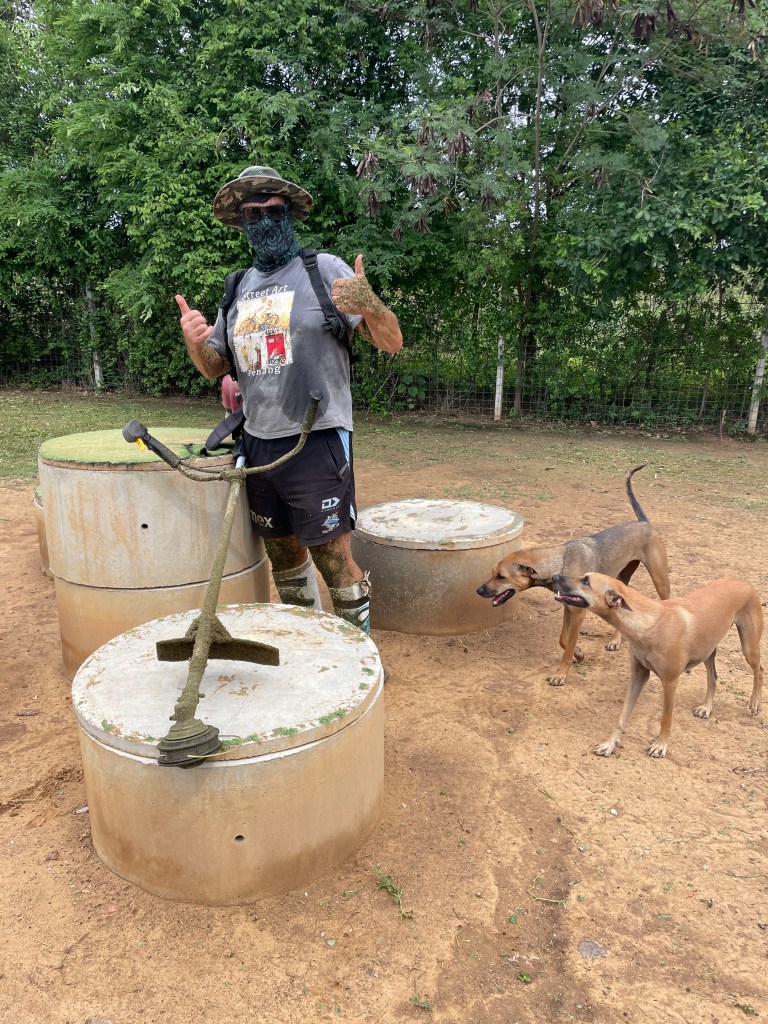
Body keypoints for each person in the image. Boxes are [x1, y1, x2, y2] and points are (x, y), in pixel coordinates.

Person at [175, 165, 402, 634]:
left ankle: (360, 654)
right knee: (283, 554)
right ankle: (308, 643)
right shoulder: (237, 287)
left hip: (317, 438)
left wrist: (371, 305)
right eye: (252, 214)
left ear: (290, 215)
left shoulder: (324, 270)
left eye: (273, 211)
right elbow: (216, 366)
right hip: (257, 442)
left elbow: (392, 341)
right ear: (241, 223)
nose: (263, 221)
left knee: (332, 557)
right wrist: (195, 343)